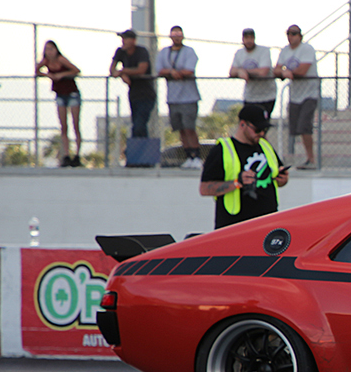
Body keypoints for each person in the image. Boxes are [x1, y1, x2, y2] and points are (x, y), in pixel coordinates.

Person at [199, 104, 290, 230]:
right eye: (258, 130)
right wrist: (237, 183)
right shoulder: (222, 149)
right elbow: (204, 189)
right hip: (234, 225)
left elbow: (276, 177)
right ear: (242, 125)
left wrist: (283, 180)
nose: (262, 133)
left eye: (265, 130)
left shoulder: (265, 146)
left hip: (267, 223)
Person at [157, 25, 201, 169]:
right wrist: (172, 72)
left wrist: (176, 73)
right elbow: (159, 70)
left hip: (188, 97)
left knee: (190, 128)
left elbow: (189, 70)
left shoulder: (189, 52)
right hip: (173, 98)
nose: (176, 37)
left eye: (179, 34)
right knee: (181, 129)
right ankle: (188, 155)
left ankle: (197, 156)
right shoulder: (164, 52)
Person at [276, 24, 319, 169]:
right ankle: (301, 158)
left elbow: (303, 70)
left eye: (294, 34)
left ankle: (311, 159)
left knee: (304, 126)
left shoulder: (307, 49)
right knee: (295, 128)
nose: (291, 36)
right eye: (288, 33)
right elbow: (276, 69)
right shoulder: (285, 51)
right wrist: (283, 72)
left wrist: (287, 71)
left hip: (310, 93)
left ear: (300, 36)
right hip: (295, 95)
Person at [35, 40, 82, 167]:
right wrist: (48, 75)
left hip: (72, 93)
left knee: (75, 124)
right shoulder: (46, 62)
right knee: (63, 126)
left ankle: (77, 155)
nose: (49, 52)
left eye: (51, 49)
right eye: (47, 49)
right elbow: (37, 70)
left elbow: (76, 70)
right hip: (60, 94)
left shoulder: (61, 60)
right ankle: (66, 154)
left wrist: (62, 74)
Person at [108, 29, 155, 140]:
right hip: (134, 94)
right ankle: (140, 149)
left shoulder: (142, 51)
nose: (123, 41)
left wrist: (124, 71)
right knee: (136, 123)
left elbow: (141, 69)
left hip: (146, 94)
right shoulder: (120, 52)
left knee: (139, 125)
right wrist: (121, 74)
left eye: (126, 39)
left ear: (133, 40)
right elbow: (112, 70)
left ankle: (139, 148)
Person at [229, 28, 276, 118]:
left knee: (261, 125)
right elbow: (232, 71)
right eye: (246, 38)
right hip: (250, 96)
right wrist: (239, 71)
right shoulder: (239, 53)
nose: (249, 41)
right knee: (248, 125)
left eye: (251, 38)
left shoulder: (263, 51)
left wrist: (245, 71)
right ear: (243, 39)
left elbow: (263, 72)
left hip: (266, 96)